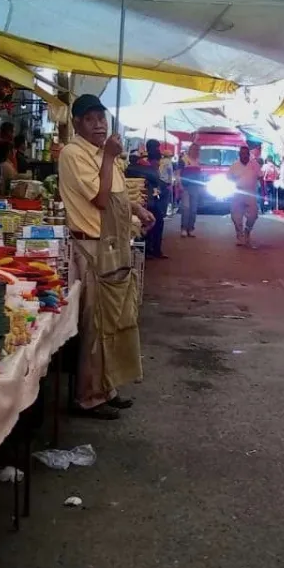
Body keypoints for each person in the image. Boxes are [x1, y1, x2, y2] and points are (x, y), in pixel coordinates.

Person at [58, 94, 155, 420]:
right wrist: (110, 159)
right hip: (92, 248)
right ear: (77, 124)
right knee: (95, 324)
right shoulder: (74, 154)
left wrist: (137, 209)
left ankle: (106, 386)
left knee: (114, 320)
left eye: (102, 117)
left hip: (113, 245)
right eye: (90, 119)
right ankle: (88, 396)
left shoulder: (103, 154)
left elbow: (115, 197)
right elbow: (100, 201)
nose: (99, 124)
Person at [228, 144, 263, 247]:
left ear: (249, 154)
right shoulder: (234, 165)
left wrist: (263, 191)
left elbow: (260, 177)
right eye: (242, 154)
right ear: (239, 155)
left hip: (251, 193)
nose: (244, 156)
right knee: (235, 215)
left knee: (253, 215)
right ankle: (240, 235)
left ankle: (247, 231)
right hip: (238, 192)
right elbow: (229, 178)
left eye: (246, 154)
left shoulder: (255, 164)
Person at [179, 143, 204, 237]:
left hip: (195, 187)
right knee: (186, 208)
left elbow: (200, 175)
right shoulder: (184, 159)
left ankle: (191, 228)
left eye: (197, 150)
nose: (196, 151)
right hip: (185, 187)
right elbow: (178, 173)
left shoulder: (198, 161)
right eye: (194, 149)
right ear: (190, 150)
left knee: (193, 209)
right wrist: (180, 185)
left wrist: (201, 186)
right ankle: (184, 228)